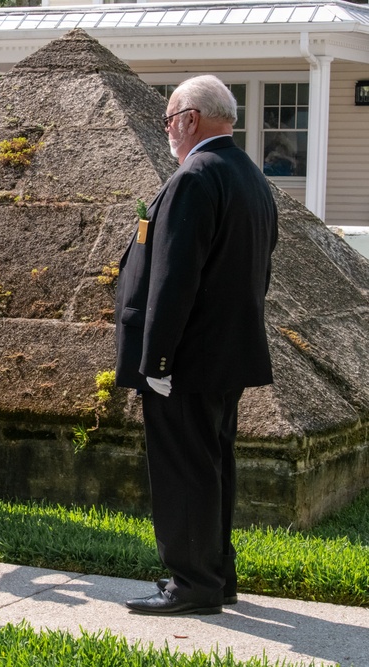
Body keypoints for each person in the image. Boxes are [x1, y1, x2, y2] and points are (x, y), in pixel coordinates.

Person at [115, 75, 278, 615]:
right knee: (212, 464)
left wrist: (157, 359)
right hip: (225, 352)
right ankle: (217, 574)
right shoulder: (250, 176)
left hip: (185, 358)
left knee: (184, 468)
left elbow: (174, 278)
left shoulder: (195, 176)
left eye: (168, 119)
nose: (167, 130)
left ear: (189, 118)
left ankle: (192, 583)